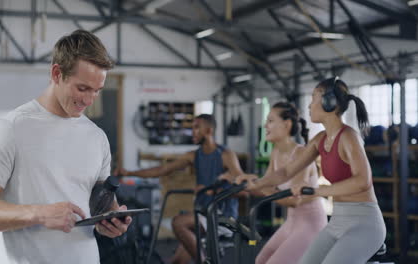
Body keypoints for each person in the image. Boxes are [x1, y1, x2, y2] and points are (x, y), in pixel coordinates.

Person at [0, 30, 131, 264]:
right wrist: (40, 213)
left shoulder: (96, 137)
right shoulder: (10, 128)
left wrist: (109, 221)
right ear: (56, 73)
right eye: (82, 88)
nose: (89, 100)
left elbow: (97, 204)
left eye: (97, 91)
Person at [237, 77, 386, 264]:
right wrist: (257, 183)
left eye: (313, 99)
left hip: (364, 223)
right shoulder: (320, 139)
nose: (309, 106)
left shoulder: (349, 136)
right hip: (337, 223)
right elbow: (286, 172)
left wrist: (318, 191)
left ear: (328, 102)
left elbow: (362, 181)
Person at [115, 114, 244, 264]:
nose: (192, 132)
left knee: (178, 222)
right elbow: (162, 169)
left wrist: (214, 191)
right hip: (202, 215)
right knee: (177, 262)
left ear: (209, 131)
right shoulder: (194, 156)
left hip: (223, 217)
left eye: (197, 128)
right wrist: (129, 173)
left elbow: (243, 188)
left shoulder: (226, 155)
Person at [248, 102, 327, 264]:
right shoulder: (276, 152)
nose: (265, 125)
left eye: (270, 121)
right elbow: (264, 186)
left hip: (311, 224)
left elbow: (293, 200)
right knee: (260, 260)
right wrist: (245, 181)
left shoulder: (300, 154)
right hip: (292, 221)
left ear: (286, 124)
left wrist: (260, 187)